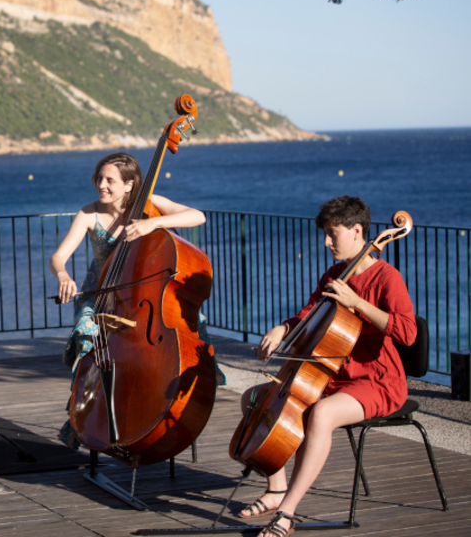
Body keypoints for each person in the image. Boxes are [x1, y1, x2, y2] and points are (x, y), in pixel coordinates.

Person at [237, 196, 416, 537]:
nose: (326, 242)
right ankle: (276, 488)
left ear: (357, 230)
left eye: (333, 234)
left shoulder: (386, 277)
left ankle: (287, 511)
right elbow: (309, 315)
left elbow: (408, 332)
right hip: (333, 376)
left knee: (321, 414)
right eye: (325, 234)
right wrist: (283, 328)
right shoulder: (334, 274)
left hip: (378, 380)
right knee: (253, 399)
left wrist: (356, 302)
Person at [48, 152, 206, 448]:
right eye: (100, 178)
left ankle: (166, 400)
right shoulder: (89, 213)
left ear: (130, 184)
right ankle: (82, 414)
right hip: (99, 292)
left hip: (139, 292)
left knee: (190, 323)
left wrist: (154, 224)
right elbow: (58, 256)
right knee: (87, 335)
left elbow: (198, 216)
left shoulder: (148, 205)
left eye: (110, 180)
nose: (101, 185)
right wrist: (63, 276)